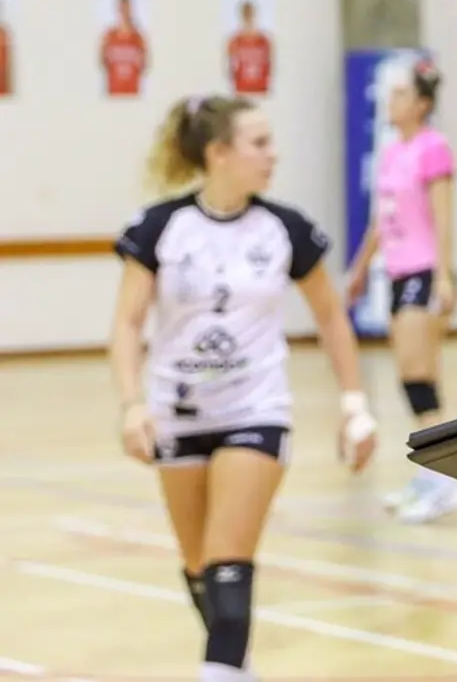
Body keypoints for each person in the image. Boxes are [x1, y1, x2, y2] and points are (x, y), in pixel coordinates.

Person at [108, 94, 378, 682]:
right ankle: (235, 664)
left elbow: (332, 317)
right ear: (218, 153)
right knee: (199, 566)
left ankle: (220, 668)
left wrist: (354, 404)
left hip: (255, 408)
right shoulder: (161, 228)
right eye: (259, 143)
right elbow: (127, 324)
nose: (272, 154)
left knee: (229, 560)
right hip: (178, 412)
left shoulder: (285, 228)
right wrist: (132, 406)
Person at [345, 59, 457, 523]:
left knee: (418, 378)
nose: (391, 102)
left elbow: (443, 216)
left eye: (400, 95)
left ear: (421, 103)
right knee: (417, 381)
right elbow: (381, 220)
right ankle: (436, 474)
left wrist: (442, 276)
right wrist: (360, 270)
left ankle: (444, 480)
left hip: (424, 272)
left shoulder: (433, 148)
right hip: (396, 276)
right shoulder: (392, 151)